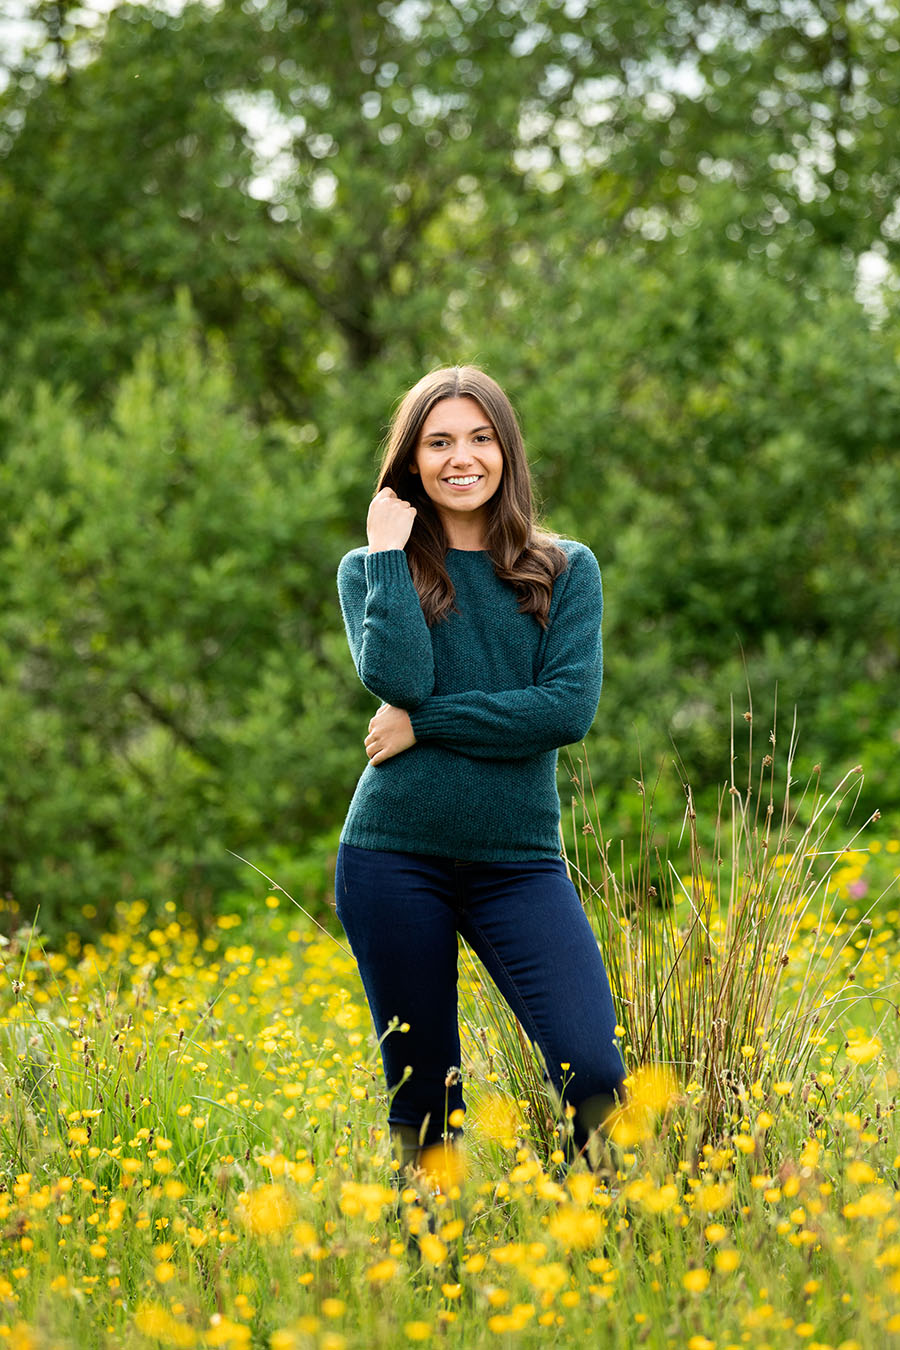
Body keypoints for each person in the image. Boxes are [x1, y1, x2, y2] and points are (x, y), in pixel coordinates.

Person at [334, 365, 625, 1173]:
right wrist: (392, 554)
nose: (461, 458)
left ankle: (592, 1248)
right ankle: (432, 1274)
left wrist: (424, 725)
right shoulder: (369, 568)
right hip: (392, 857)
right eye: (438, 442)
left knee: (595, 1073)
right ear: (411, 462)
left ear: (506, 452)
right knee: (426, 1101)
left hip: (518, 864)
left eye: (479, 438)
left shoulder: (565, 568)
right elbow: (398, 679)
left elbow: (564, 710)